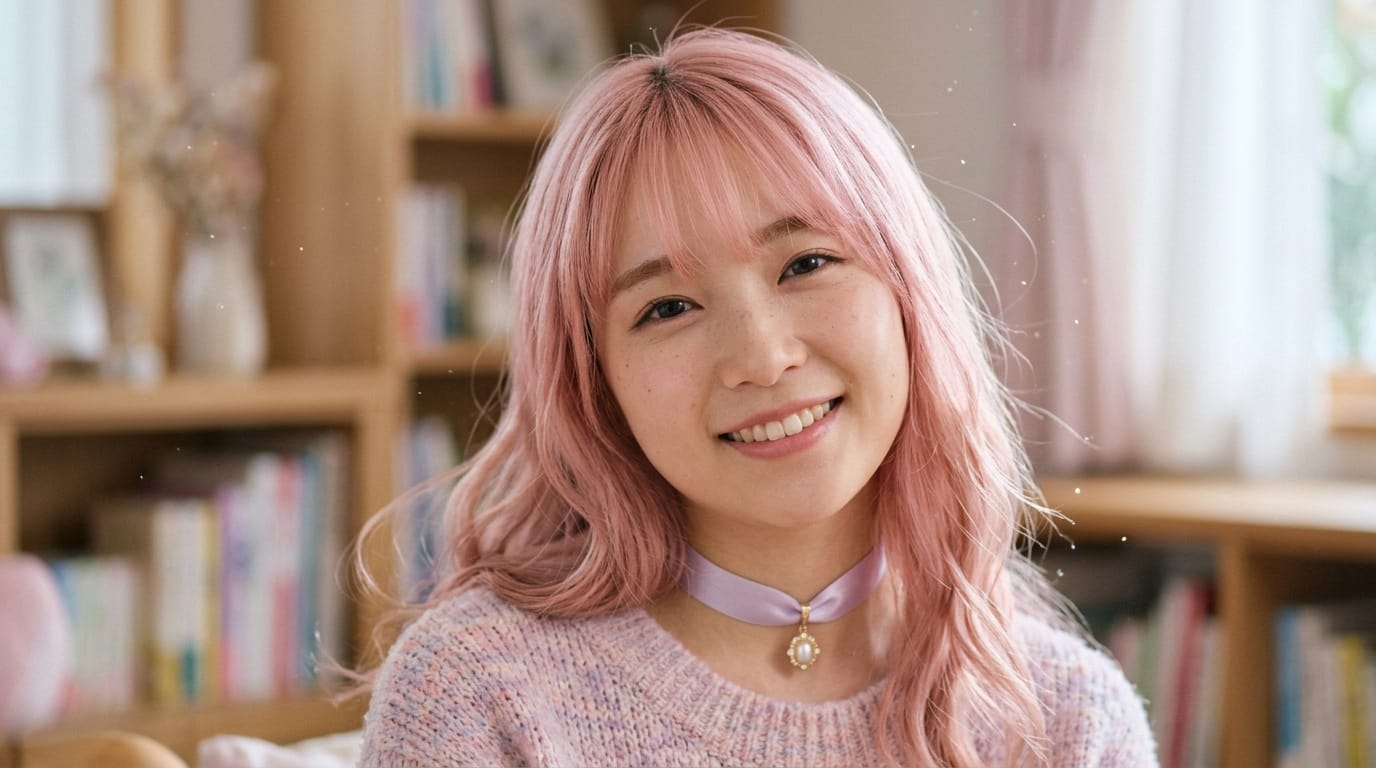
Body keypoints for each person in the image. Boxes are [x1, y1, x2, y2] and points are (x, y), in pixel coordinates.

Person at [358, 27, 1155, 767]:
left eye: (805, 264)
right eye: (666, 308)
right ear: (592, 381)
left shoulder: (1068, 719)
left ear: (909, 291)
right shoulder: (476, 693)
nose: (762, 357)